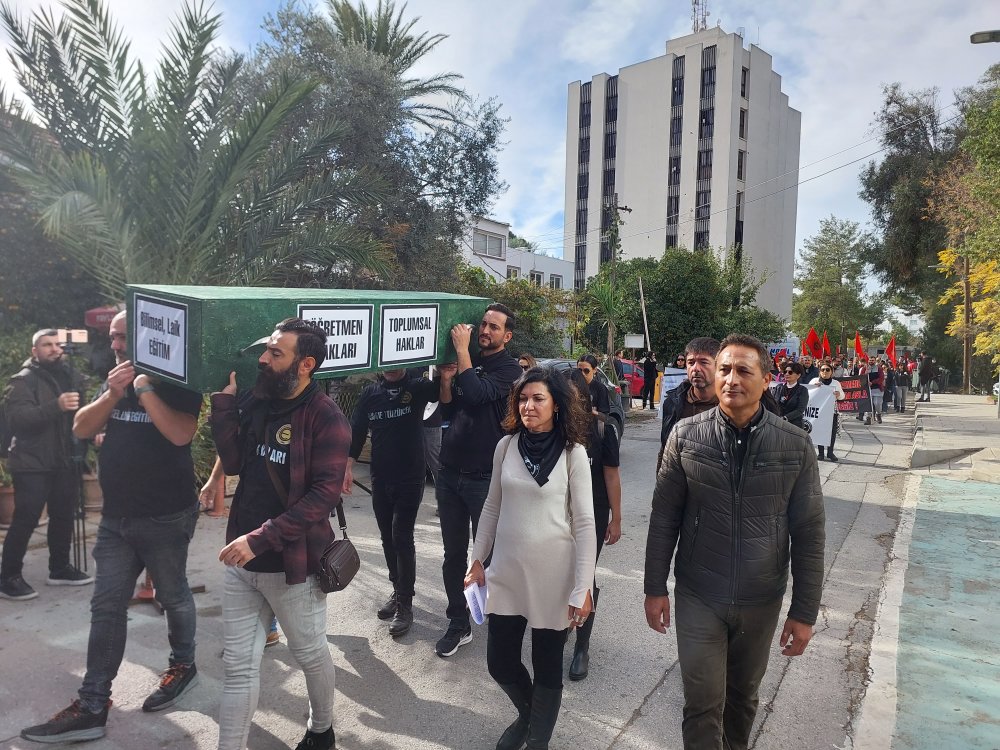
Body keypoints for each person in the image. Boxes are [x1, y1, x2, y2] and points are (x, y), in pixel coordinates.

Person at [21, 311, 203, 743]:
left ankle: (183, 665)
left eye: (123, 337)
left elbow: (181, 435)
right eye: (112, 337)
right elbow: (81, 427)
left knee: (173, 595)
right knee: (106, 607)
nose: (116, 345)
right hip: (116, 519)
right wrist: (114, 392)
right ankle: (92, 705)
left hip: (166, 515)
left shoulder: (178, 378)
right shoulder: (114, 378)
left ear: (148, 338)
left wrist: (144, 389)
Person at [644, 333, 825, 750]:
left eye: (744, 370)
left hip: (760, 599)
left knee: (742, 700)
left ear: (766, 380)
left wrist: (804, 611)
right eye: (724, 369)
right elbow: (664, 517)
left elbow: (810, 533)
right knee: (703, 703)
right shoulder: (685, 436)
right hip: (699, 594)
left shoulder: (795, 445)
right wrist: (655, 587)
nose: (731, 379)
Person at [209, 318, 348, 750]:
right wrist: (223, 406)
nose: (263, 359)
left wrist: (259, 539)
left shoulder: (325, 416)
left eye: (275, 353)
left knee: (309, 654)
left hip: (293, 567)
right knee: (239, 667)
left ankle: (321, 729)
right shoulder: (258, 400)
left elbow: (323, 497)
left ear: (305, 364)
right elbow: (235, 463)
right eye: (266, 350)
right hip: (241, 563)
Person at [465, 366, 596, 750]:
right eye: (522, 399)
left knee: (547, 666)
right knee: (500, 662)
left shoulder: (573, 453)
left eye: (538, 398)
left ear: (556, 404)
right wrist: (477, 559)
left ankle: (538, 739)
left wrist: (583, 587)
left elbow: (585, 523)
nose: (528, 406)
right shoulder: (505, 447)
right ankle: (528, 716)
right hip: (506, 574)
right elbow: (491, 507)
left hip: (554, 578)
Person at [435, 303, 523, 658]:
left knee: (487, 556)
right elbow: (449, 408)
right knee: (453, 554)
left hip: (484, 479)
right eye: (483, 324)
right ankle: (459, 622)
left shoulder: (510, 370)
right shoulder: (469, 363)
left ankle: (498, 619)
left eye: (493, 327)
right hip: (449, 474)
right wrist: (446, 380)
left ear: (507, 336)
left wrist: (462, 351)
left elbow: (475, 393)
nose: (485, 331)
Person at [345, 368, 438, 637]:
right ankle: (397, 590)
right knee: (387, 537)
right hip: (381, 476)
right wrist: (347, 466)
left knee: (401, 536)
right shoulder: (370, 393)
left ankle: (405, 604)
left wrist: (445, 372)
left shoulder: (418, 387)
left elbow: (440, 394)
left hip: (410, 476)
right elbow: (357, 430)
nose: (390, 366)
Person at [1, 329, 92, 601]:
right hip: (32, 462)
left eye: (57, 344)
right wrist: (56, 406)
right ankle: (8, 578)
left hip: (65, 460)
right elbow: (18, 420)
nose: (54, 349)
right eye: (47, 344)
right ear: (34, 351)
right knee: (26, 519)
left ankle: (59, 568)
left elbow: (81, 416)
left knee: (64, 514)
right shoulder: (23, 381)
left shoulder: (71, 376)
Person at [566, 370, 621, 682]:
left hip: (594, 513)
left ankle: (581, 647)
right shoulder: (554, 429)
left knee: (585, 573)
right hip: (559, 512)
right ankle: (564, 621)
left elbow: (611, 475)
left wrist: (617, 518)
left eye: (573, 396)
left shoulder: (601, 428)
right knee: (560, 570)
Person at [658, 337, 720, 472]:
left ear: (719, 366)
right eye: (691, 362)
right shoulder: (672, 403)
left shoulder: (731, 405)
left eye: (704, 362)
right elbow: (665, 450)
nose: (696, 368)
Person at [810, 362, 845, 461]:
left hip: (831, 412)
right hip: (819, 411)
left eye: (827, 370)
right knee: (820, 431)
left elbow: (842, 396)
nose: (825, 372)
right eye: (822, 370)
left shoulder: (836, 383)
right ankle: (821, 453)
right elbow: (807, 393)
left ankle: (830, 452)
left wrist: (838, 394)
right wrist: (814, 388)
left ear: (832, 372)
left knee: (832, 433)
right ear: (819, 372)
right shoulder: (814, 381)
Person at [774, 361, 809, 430]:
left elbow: (800, 409)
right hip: (777, 424)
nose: (787, 374)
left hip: (794, 425)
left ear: (798, 375)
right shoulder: (779, 387)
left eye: (790, 372)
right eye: (785, 372)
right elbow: (773, 404)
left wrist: (785, 418)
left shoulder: (802, 390)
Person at [576, 353, 610, 419]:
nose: (582, 374)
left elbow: (605, 417)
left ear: (594, 370)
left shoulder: (600, 388)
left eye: (586, 371)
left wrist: (591, 411)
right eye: (579, 371)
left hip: (592, 424)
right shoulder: (572, 386)